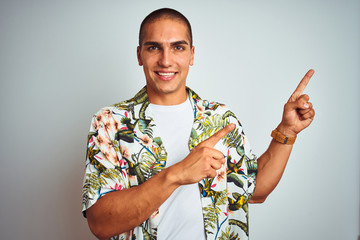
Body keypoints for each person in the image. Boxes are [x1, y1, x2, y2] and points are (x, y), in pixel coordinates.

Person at [82, 8, 315, 240]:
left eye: (178, 47)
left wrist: (287, 131)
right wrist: (177, 173)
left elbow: (255, 191)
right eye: (154, 47)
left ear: (192, 55)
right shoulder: (109, 121)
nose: (165, 60)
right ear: (139, 55)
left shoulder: (221, 119)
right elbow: (100, 223)